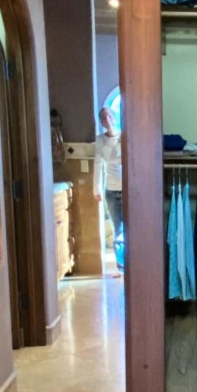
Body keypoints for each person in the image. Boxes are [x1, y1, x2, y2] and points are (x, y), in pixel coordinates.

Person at [93, 106, 123, 278]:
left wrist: (115, 134)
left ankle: (133, 264)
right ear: (101, 122)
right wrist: (96, 188)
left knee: (131, 229)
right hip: (110, 190)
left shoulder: (123, 136)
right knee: (117, 229)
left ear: (115, 117)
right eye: (104, 117)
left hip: (127, 188)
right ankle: (121, 267)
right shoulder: (100, 140)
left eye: (109, 116)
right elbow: (98, 163)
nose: (107, 119)